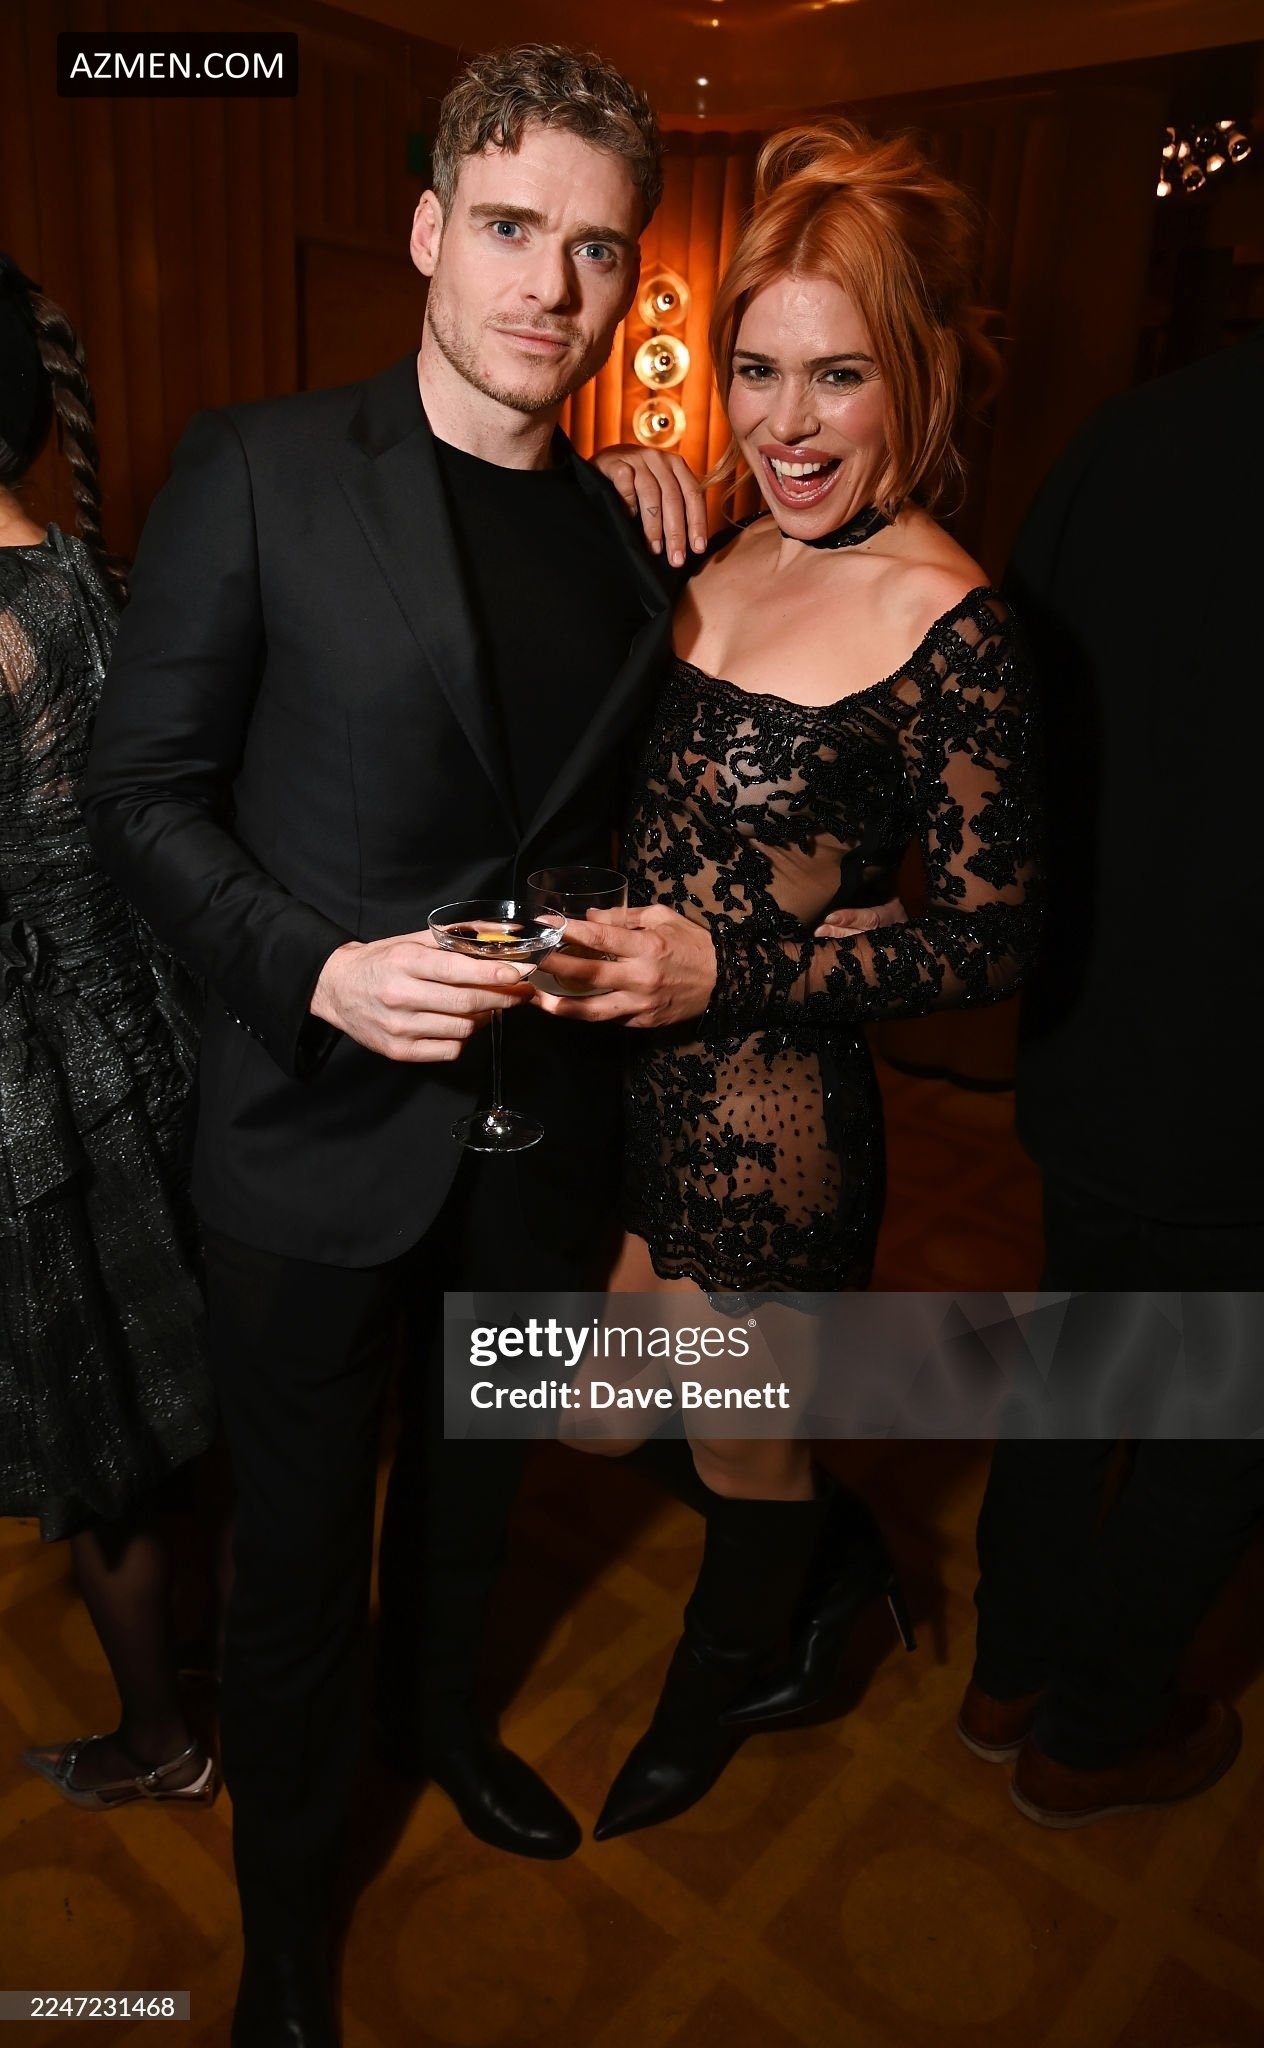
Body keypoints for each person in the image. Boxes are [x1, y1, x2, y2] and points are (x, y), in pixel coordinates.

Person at [80, 42, 689, 2048]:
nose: (551, 285)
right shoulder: (261, 466)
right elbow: (139, 797)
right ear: (430, 231)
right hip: (313, 1131)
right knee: (292, 1569)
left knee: (473, 1499)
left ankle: (443, 1726)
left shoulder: (629, 532)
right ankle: (286, 1932)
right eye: (510, 227)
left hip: (540, 1142)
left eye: (596, 249)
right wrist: (316, 970)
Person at [533, 121, 1043, 1838]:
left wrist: (731, 965)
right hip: (618, 1086)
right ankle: (837, 1550)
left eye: (839, 376)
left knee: (739, 1446)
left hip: (771, 1128)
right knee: (595, 1424)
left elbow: (993, 938)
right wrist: (601, 488)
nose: (788, 423)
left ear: (917, 375)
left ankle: (743, 1667)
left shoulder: (955, 626)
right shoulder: (715, 543)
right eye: (758, 372)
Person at [957, 327, 1264, 1825]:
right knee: (1218, 1424)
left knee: (1078, 1363)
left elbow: (1007, 724)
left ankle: (1007, 1671)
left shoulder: (1126, 438)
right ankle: (1095, 1730)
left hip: (1096, 1028)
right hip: (1240, 1073)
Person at [0, 258, 217, 1805]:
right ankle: (197, 1683)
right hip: (146, 1035)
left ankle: (163, 1741)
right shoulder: (78, 572)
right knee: (166, 1410)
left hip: (44, 1090)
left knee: (105, 1446)